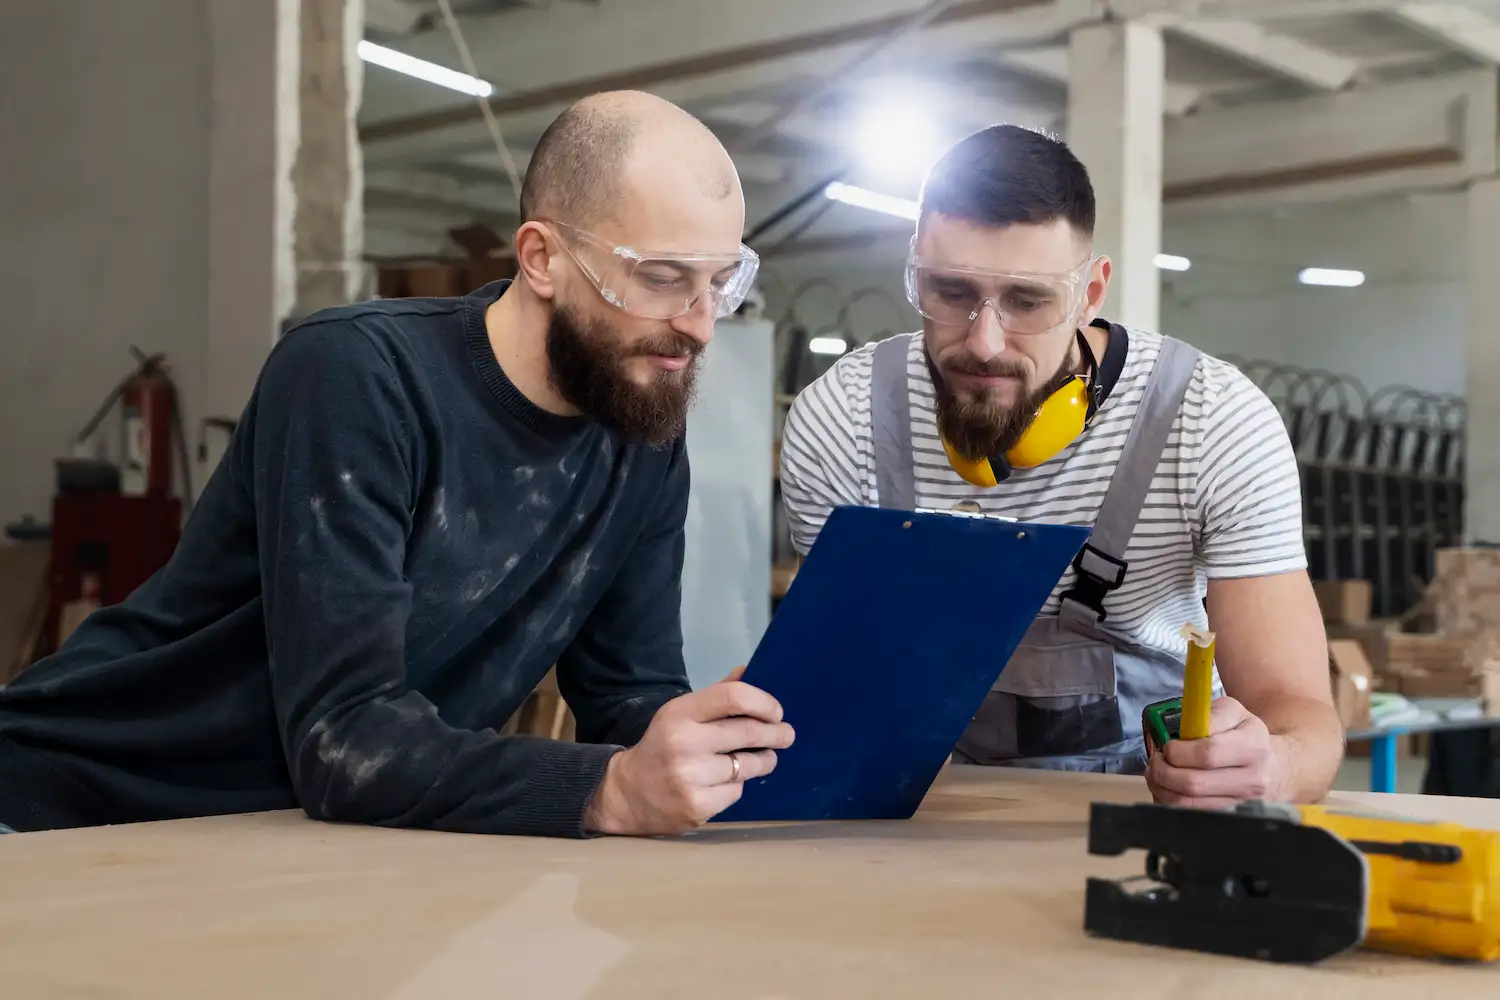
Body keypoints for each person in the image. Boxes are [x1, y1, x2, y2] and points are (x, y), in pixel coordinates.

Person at [0, 90, 794, 837]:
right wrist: (609, 791)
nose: (698, 327)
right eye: (661, 279)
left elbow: (627, 698)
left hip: (290, 841)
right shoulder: (357, 375)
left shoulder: (638, 423)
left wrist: (703, 749)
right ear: (542, 258)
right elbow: (347, 739)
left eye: (719, 284)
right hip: (76, 806)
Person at [779, 124, 1342, 809]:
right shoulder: (844, 419)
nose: (984, 343)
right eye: (950, 292)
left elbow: (1300, 713)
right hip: (925, 813)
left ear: (1090, 292)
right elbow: (839, 674)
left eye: (1027, 300)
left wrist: (1270, 768)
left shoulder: (1210, 421)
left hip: (1157, 812)